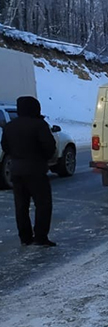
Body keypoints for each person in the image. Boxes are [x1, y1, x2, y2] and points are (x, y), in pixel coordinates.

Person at [1, 96, 57, 246]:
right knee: (43, 204)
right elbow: (49, 147)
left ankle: (25, 237)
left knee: (21, 206)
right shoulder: (39, 125)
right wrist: (42, 158)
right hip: (36, 170)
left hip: (16, 170)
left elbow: (5, 147)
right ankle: (40, 236)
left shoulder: (10, 126)